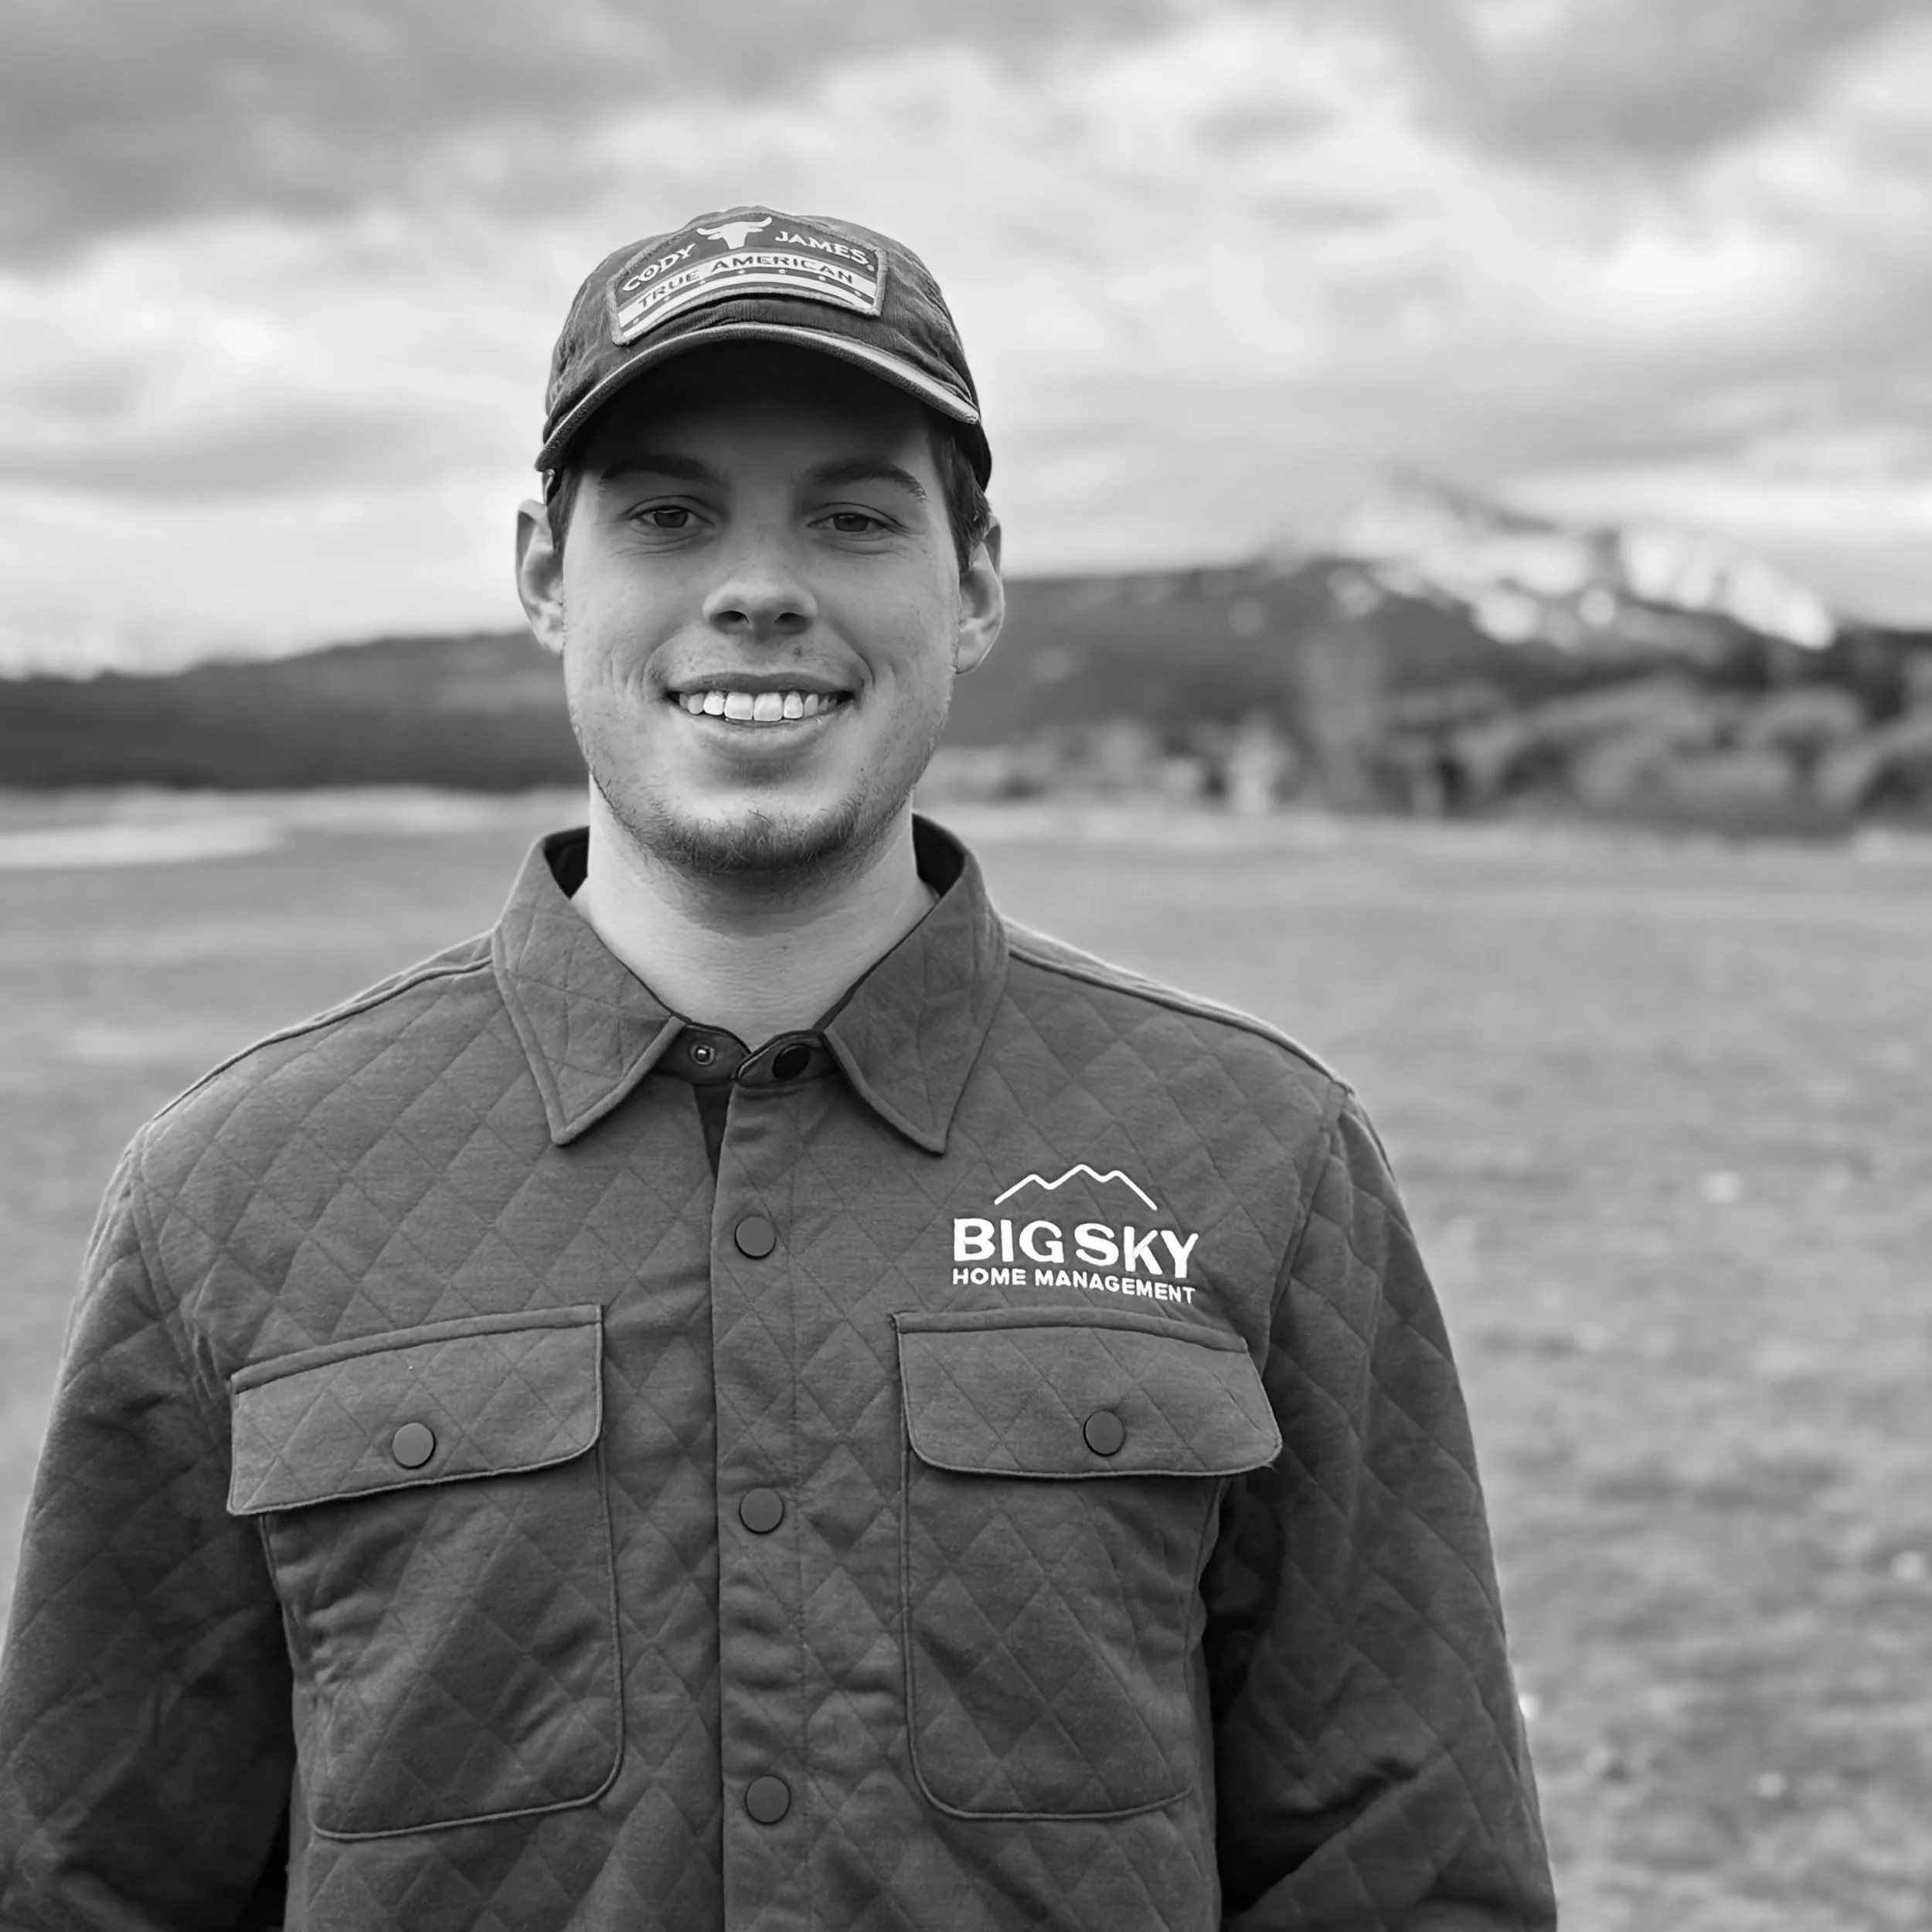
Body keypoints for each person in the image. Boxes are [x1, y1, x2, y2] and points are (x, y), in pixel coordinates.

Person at [0, 206, 1555, 1930]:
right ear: (541, 571)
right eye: (667, 514)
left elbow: (1411, 1880)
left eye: (850, 514)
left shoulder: (1264, 1158)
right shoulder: (230, 1192)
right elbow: (88, 1883)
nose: (756, 585)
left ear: (968, 580)